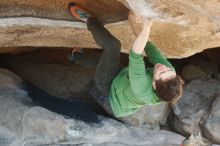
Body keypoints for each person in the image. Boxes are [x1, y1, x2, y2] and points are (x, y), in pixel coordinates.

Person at [69, 3, 184, 119]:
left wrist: (147, 27)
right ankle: (75, 56)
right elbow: (149, 48)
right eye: (168, 69)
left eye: (162, 73)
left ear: (154, 84)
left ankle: (89, 20)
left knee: (112, 46)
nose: (163, 67)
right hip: (123, 78)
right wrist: (132, 21)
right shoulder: (169, 76)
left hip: (108, 84)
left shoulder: (141, 88)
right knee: (103, 62)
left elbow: (135, 54)